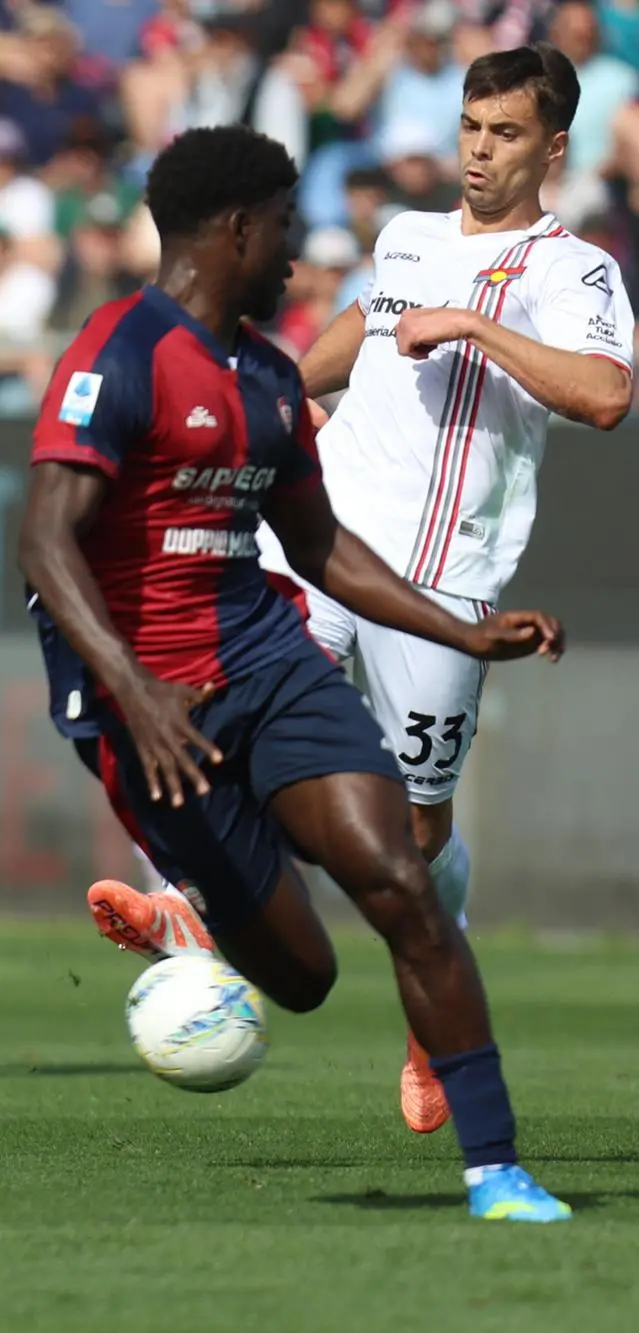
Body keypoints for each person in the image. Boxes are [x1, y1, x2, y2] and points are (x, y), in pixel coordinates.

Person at [20, 125, 572, 1223]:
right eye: (283, 229)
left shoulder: (270, 378)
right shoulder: (117, 352)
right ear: (235, 229)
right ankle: (207, 917)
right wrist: (129, 689)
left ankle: (496, 1168)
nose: (298, 252)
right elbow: (43, 542)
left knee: (402, 882)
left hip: (266, 656)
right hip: (150, 700)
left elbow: (319, 548)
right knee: (306, 978)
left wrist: (460, 633)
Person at [98, 44, 635, 1139]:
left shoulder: (573, 273)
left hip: (443, 583)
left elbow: (607, 395)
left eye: (506, 134)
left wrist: (481, 327)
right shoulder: (405, 238)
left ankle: (428, 1005)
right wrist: (272, 401)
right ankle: (187, 905)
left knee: (415, 837)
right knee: (209, 701)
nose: (479, 152)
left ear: (553, 147)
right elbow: (344, 344)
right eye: (471, 129)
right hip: (322, 546)